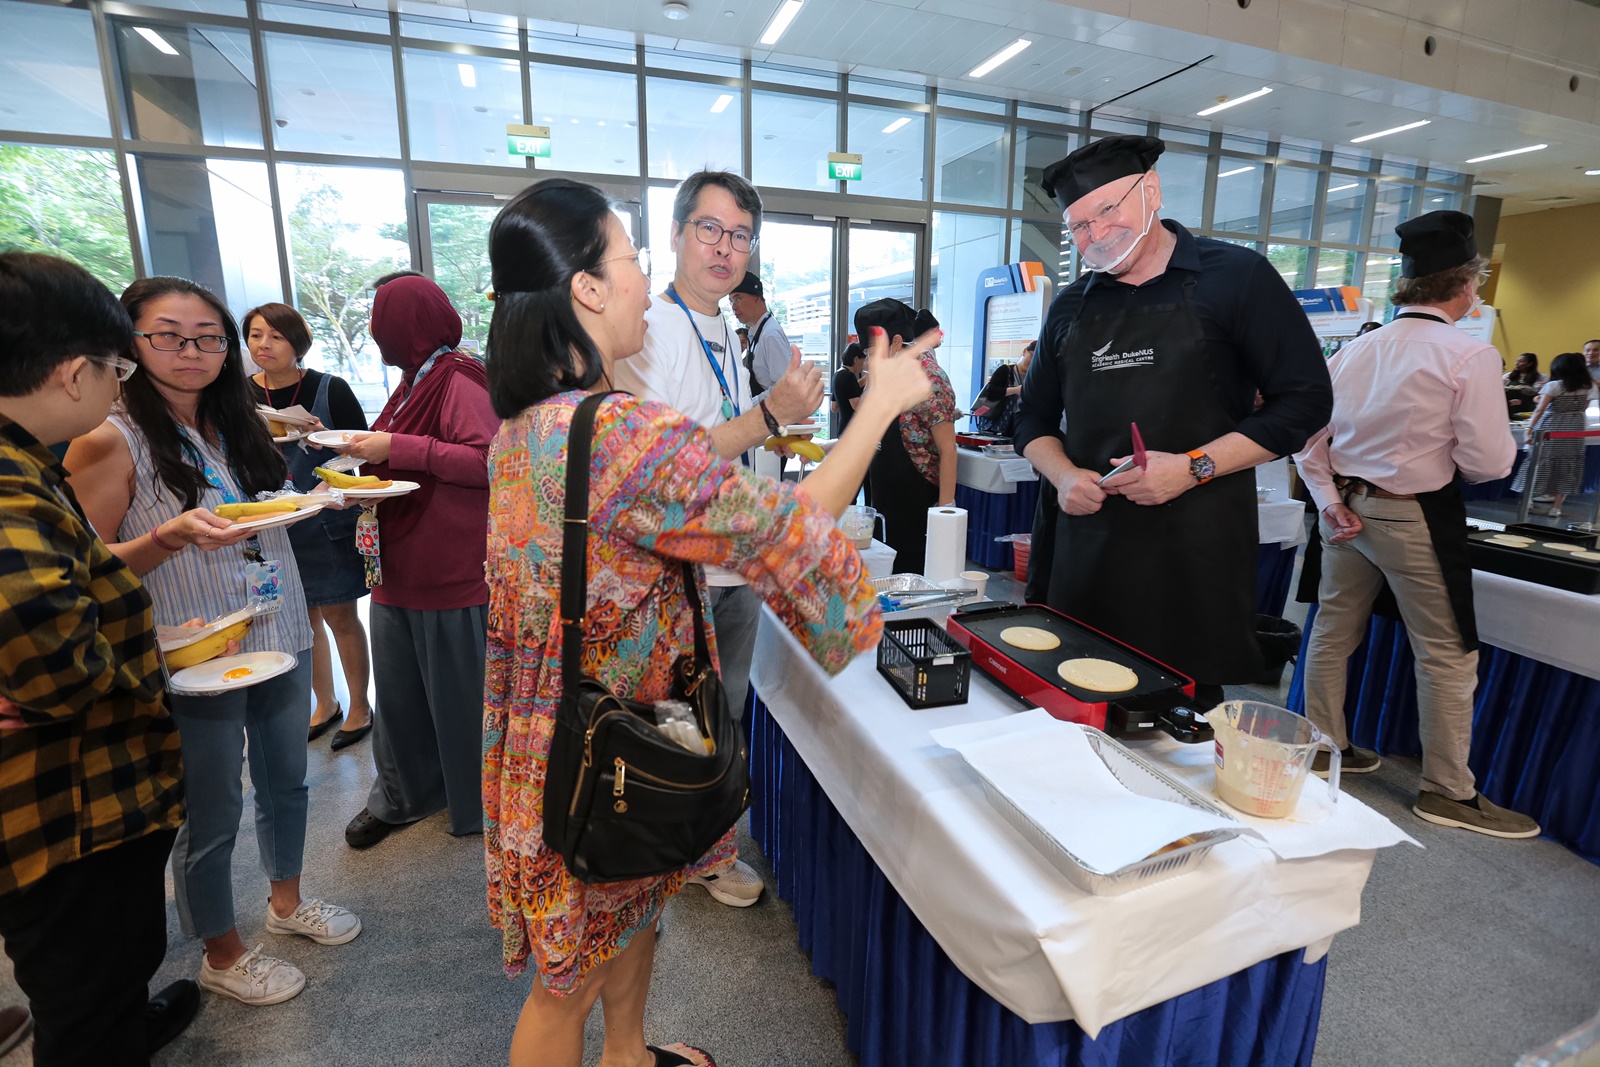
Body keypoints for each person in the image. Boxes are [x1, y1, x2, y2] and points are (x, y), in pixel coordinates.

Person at [478, 176, 932, 1067]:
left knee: (632, 906)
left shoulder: (528, 425)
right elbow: (783, 533)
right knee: (561, 981)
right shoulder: (619, 433)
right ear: (588, 290)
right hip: (602, 738)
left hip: (583, 723)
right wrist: (876, 408)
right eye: (632, 260)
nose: (645, 279)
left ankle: (630, 1055)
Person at [66, 276, 361, 1006]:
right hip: (198, 649)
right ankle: (221, 951)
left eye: (208, 336)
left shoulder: (239, 422)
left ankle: (286, 903)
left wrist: (318, 500)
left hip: (279, 623)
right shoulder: (111, 437)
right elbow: (81, 568)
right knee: (213, 803)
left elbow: (256, 511)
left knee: (288, 776)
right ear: (127, 344)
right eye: (167, 334)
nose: (191, 350)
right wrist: (165, 537)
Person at [1012, 135, 1332, 705]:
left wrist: (1192, 467)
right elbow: (1032, 421)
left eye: (1106, 210)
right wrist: (1062, 476)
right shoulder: (1071, 305)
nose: (1096, 234)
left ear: (1151, 191)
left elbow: (1304, 404)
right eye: (1079, 226)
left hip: (1194, 550)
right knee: (1076, 701)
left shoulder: (1237, 278)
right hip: (1089, 545)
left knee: (1177, 719)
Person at [0, 253, 197, 1064]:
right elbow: (60, 665)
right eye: (119, 368)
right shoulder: (11, 493)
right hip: (69, 805)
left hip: (80, 798)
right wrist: (144, 673)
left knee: (107, 973)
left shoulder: (31, 468)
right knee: (85, 994)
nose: (122, 388)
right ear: (73, 371)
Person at [611, 169, 824, 908]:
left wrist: (775, 439)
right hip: (678, 571)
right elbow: (662, 468)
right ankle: (674, 854)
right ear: (674, 235)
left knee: (722, 709)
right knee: (678, 716)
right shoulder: (650, 331)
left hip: (734, 562)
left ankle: (699, 844)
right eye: (709, 228)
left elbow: (722, 436)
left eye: (739, 235)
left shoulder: (726, 329)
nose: (724, 247)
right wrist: (768, 414)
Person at [1295, 210, 1537, 839]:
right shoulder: (1470, 355)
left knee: (1332, 632)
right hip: (1412, 515)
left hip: (1344, 512)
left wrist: (1329, 501)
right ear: (1465, 284)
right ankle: (1447, 790)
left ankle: (1326, 747)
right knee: (1447, 656)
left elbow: (1307, 440)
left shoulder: (1354, 350)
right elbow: (1488, 462)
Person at [338, 275, 498, 850]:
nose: (379, 335)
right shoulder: (413, 380)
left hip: (448, 566)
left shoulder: (460, 377)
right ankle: (402, 794)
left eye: (385, 321)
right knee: (401, 696)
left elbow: (490, 461)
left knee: (459, 697)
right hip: (398, 563)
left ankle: (475, 798)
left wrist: (397, 449)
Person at [245, 302, 374, 749]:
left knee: (340, 614)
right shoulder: (241, 394)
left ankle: (359, 706)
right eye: (256, 335)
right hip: (270, 521)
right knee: (302, 620)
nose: (264, 344)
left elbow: (361, 451)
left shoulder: (328, 388)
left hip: (324, 520)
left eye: (276, 336)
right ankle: (325, 703)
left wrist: (319, 441)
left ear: (297, 344)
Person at [853, 299, 958, 577]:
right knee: (884, 572)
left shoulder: (929, 378)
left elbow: (949, 449)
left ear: (897, 342)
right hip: (883, 493)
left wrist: (945, 515)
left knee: (910, 575)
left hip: (916, 498)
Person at [1511, 352, 1595, 518]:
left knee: (1538, 462)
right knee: (1568, 465)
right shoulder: (1588, 385)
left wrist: (1529, 428)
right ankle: (1556, 507)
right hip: (1575, 426)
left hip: (1551, 425)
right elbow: (1583, 407)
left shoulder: (1554, 385)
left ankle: (1529, 501)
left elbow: (1540, 409)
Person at [729, 271, 791, 400]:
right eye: (731, 301)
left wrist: (750, 406)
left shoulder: (770, 335)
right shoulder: (756, 333)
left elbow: (784, 387)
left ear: (757, 298)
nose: (733, 307)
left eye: (738, 298)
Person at [972, 340, 1035, 437]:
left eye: (1037, 359)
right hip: (1000, 424)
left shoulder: (1035, 377)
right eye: (1031, 356)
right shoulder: (1005, 370)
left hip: (1023, 424)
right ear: (1025, 351)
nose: (1033, 361)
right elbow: (991, 391)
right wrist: (1015, 390)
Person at [832, 341, 866, 437]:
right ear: (856, 359)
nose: (863, 365)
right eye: (863, 360)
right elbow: (857, 405)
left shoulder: (837, 374)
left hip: (843, 428)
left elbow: (834, 407)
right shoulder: (849, 376)